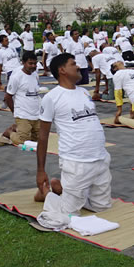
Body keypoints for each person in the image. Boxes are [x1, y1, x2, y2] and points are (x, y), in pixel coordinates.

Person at [35, 54, 112, 231]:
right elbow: (43, 136)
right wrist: (40, 171)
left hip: (100, 159)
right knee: (67, 216)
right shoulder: (52, 97)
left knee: (102, 207)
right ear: (62, 70)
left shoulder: (84, 92)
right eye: (73, 64)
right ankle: (47, 192)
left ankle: (62, 188)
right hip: (76, 162)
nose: (78, 67)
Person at [2, 52, 41, 144]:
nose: (33, 66)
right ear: (23, 63)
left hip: (35, 113)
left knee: (39, 139)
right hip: (22, 113)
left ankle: (17, 128)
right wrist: (15, 112)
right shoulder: (16, 77)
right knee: (23, 141)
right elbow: (8, 97)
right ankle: (9, 132)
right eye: (30, 63)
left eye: (35, 63)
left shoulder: (35, 75)